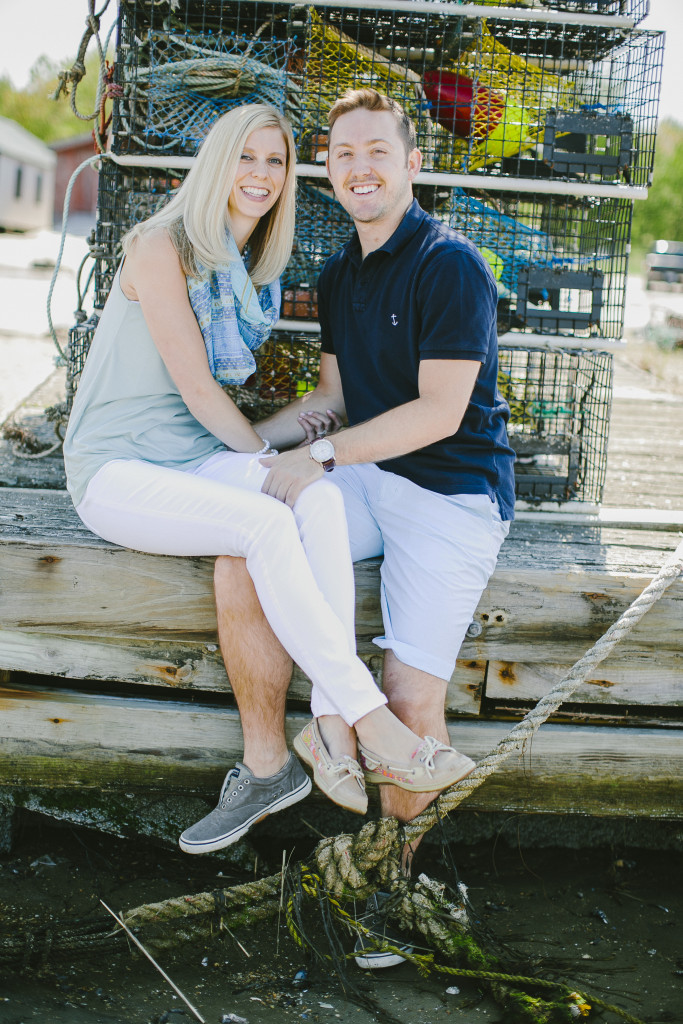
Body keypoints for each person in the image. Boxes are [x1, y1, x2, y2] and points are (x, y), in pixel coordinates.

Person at [62, 102, 478, 858]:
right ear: (217, 165)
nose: (259, 175)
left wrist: (294, 448)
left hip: (188, 458)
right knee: (265, 516)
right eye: (245, 158)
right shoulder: (160, 246)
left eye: (275, 162)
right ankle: (366, 719)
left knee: (306, 493)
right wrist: (266, 453)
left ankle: (322, 729)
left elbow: (296, 416)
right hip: (117, 469)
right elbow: (196, 391)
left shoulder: (250, 269)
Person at [213, 89, 516, 964]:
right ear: (329, 171)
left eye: (377, 151)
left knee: (412, 694)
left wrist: (325, 459)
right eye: (343, 154)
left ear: (411, 164)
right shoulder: (341, 272)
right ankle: (287, 753)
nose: (360, 168)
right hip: (370, 473)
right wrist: (243, 444)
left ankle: (389, 882)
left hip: (450, 493)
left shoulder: (450, 265)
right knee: (247, 532)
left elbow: (436, 413)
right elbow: (332, 401)